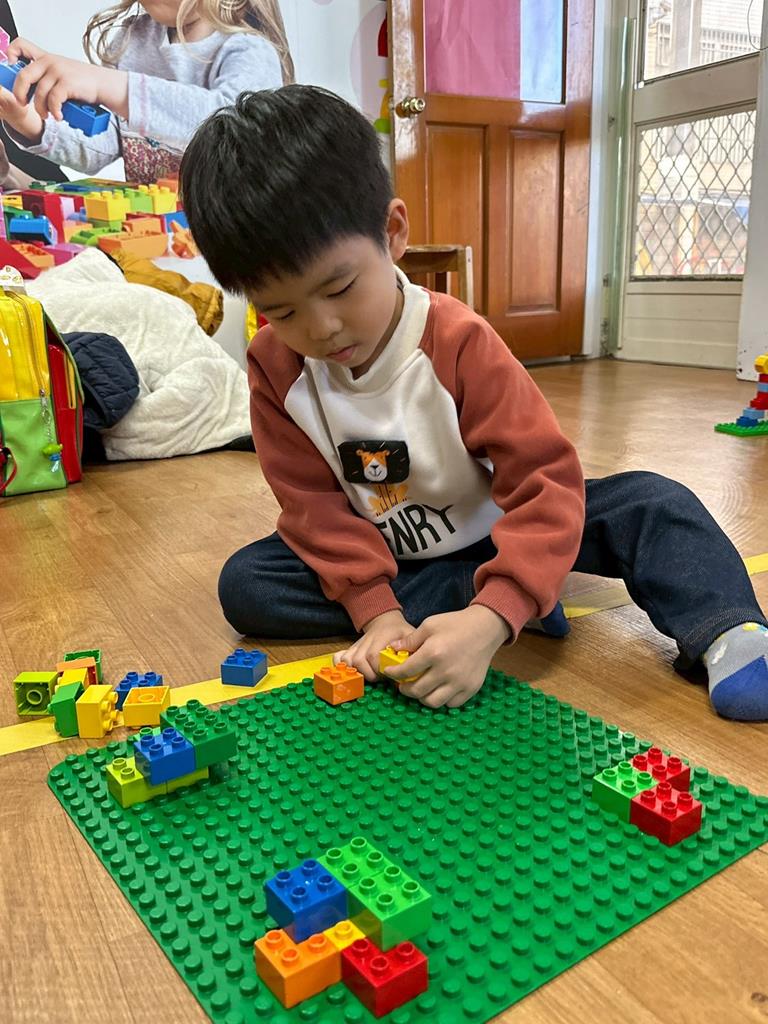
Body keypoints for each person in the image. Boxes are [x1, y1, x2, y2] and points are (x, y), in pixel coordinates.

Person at [179, 85, 768, 720]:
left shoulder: (458, 341)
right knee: (248, 584)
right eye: (283, 311)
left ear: (392, 232)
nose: (322, 329)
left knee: (652, 503)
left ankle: (730, 632)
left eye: (341, 287)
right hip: (394, 556)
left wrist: (492, 617)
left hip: (500, 528)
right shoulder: (274, 368)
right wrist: (377, 615)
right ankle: (498, 594)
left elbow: (543, 483)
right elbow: (313, 511)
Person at [0, 0, 292, 183]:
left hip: (236, 239)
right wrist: (32, 123)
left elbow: (233, 129)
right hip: (158, 237)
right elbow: (103, 146)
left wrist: (110, 86)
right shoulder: (133, 40)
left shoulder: (248, 51)